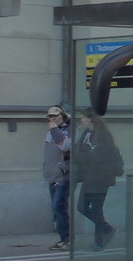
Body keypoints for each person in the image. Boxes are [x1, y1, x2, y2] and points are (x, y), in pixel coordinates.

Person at [72, 108, 123, 251]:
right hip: (89, 176)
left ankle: (99, 241)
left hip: (100, 177)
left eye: (83, 117)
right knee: (82, 206)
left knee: (96, 209)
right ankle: (107, 228)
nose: (81, 120)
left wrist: (81, 158)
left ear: (90, 119)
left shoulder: (103, 135)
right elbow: (82, 153)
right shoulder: (86, 133)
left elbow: (98, 157)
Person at [42, 105, 72, 251]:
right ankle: (63, 239)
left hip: (63, 176)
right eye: (50, 116)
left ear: (63, 115)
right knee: (57, 209)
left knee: (59, 207)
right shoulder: (50, 131)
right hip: (52, 175)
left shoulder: (68, 130)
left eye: (55, 115)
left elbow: (65, 146)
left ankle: (67, 239)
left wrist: (54, 129)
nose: (52, 118)